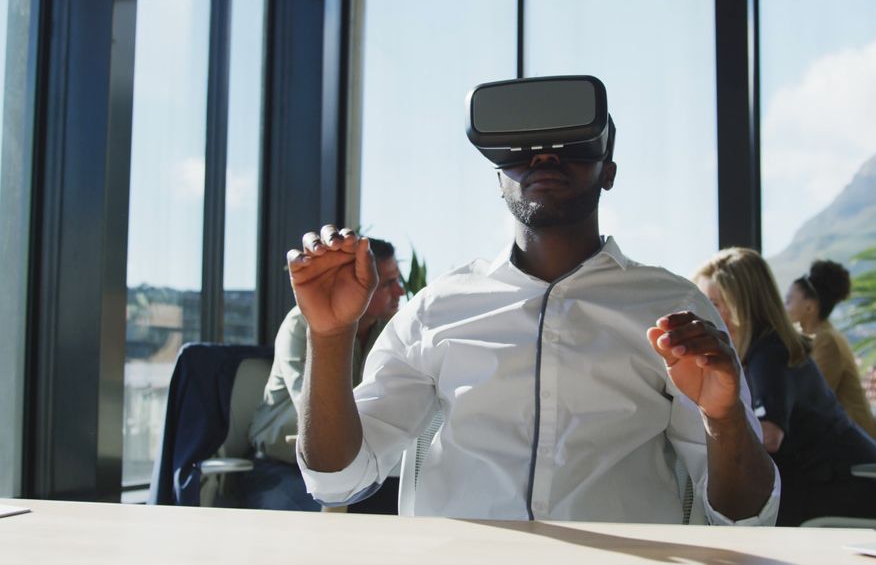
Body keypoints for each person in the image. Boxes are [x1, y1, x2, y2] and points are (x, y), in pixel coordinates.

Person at [284, 75, 779, 525]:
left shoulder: (672, 308)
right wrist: (329, 336)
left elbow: (747, 519)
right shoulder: (437, 309)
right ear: (496, 177)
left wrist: (724, 415)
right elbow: (337, 479)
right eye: (519, 150)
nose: (544, 157)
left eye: (571, 146)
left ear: (607, 171)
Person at [694, 248, 876, 526]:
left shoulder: (769, 353)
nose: (707, 314)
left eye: (715, 304)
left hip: (854, 486)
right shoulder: (767, 348)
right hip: (862, 478)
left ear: (740, 304)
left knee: (742, 514)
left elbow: (769, 436)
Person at [244, 237, 406, 512]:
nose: (400, 291)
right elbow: (317, 413)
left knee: (405, 507)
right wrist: (328, 332)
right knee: (331, 521)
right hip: (282, 467)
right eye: (388, 283)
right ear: (359, 279)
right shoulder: (304, 322)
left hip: (351, 465)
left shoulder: (385, 330)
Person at [785, 260, 876, 442]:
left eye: (789, 301)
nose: (784, 309)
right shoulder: (822, 337)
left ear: (809, 307)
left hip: (856, 445)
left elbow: (812, 401)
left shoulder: (827, 341)